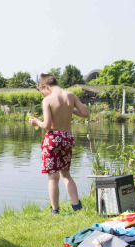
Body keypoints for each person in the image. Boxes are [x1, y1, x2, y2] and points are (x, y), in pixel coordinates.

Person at [29, 74, 90, 214]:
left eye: (42, 91)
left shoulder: (47, 100)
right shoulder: (71, 95)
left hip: (53, 138)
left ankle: (55, 210)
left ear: (45, 86)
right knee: (66, 175)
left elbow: (48, 125)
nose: (43, 94)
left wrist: (36, 122)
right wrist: (69, 109)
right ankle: (76, 206)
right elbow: (85, 113)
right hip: (67, 138)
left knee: (53, 177)